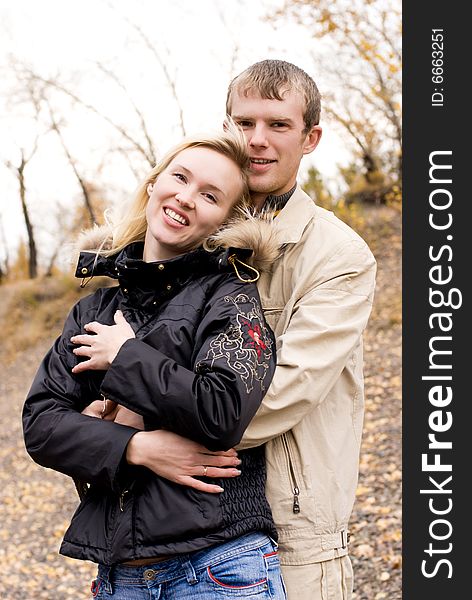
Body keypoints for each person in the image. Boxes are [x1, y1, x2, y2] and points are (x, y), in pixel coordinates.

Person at [112, 60, 377, 599]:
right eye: (243, 122)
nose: (257, 140)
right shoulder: (187, 238)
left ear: (311, 138)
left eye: (278, 125)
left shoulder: (338, 256)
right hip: (172, 532)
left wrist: (136, 425)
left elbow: (276, 396)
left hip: (289, 536)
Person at [22, 124, 288, 599]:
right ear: (153, 184)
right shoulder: (93, 311)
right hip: (120, 576)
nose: (187, 198)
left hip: (218, 569)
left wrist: (123, 357)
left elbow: (221, 409)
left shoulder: (231, 300)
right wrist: (135, 448)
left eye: (210, 195)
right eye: (180, 178)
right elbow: (42, 424)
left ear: (225, 221)